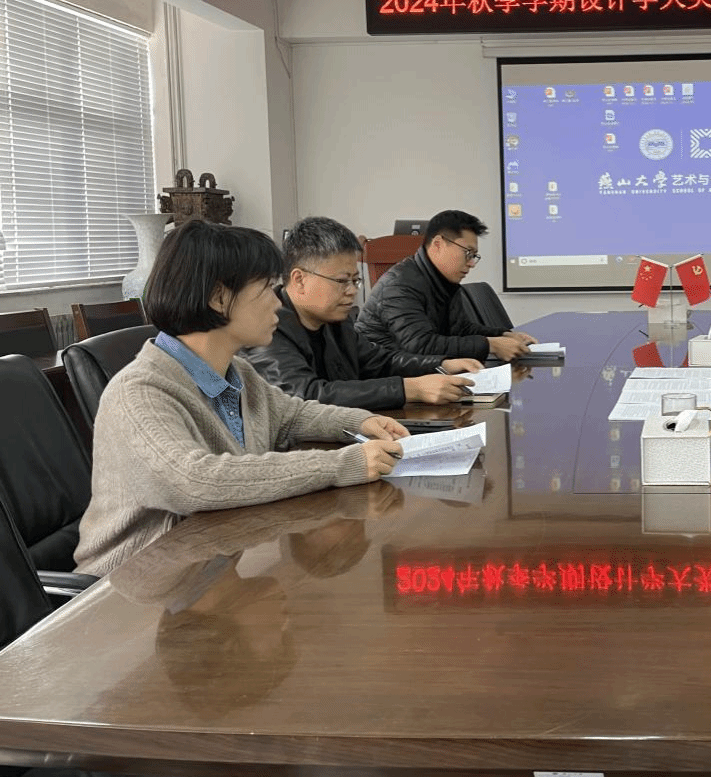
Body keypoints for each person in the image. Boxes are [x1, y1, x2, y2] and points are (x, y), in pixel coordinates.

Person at [75, 220, 408, 577]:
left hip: (206, 566)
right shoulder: (140, 392)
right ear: (219, 298)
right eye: (267, 289)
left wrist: (359, 421)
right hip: (131, 585)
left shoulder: (237, 372)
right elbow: (195, 482)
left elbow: (291, 415)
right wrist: (343, 465)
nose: (277, 303)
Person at [246, 216, 482, 411]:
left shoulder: (335, 321)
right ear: (299, 279)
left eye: (355, 281)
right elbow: (307, 395)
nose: (351, 291)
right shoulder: (265, 328)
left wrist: (441, 365)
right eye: (342, 281)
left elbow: (382, 362)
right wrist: (410, 389)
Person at [357, 209, 537, 361]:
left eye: (474, 256)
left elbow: (461, 329)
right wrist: (491, 345)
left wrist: (503, 335)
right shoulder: (399, 286)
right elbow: (421, 345)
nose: (471, 263)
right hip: (384, 377)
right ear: (438, 244)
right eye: (468, 253)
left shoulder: (444, 281)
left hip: (420, 371)